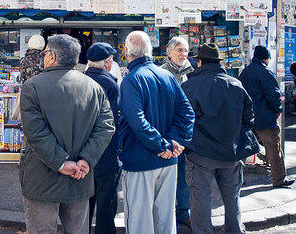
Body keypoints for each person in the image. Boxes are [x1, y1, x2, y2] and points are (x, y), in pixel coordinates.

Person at [19, 34, 115, 234]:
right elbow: (106, 127)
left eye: (45, 54)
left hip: (41, 179)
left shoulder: (33, 86)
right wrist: (86, 160)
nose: (44, 58)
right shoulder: (94, 87)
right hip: (80, 176)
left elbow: (35, 133)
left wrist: (62, 163)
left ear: (52, 56)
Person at [118, 30, 195, 234]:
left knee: (140, 222)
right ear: (150, 51)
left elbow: (138, 122)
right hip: (168, 160)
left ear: (127, 52)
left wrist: (165, 145)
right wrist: (173, 142)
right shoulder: (167, 76)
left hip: (141, 160)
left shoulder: (131, 80)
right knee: (166, 221)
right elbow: (187, 113)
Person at [181, 43, 260, 234]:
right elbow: (249, 118)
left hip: (200, 153)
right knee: (232, 197)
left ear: (199, 62)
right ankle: (235, 230)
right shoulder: (235, 84)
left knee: (200, 199)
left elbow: (183, 120)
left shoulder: (190, 86)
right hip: (231, 151)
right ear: (219, 62)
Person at [239, 45, 295, 188]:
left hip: (247, 117)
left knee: (243, 149)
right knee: (274, 149)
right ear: (266, 58)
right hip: (264, 117)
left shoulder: (245, 72)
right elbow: (274, 94)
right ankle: (279, 180)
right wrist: (278, 110)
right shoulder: (265, 72)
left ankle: (236, 179)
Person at [84, 42, 121, 234]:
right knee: (106, 204)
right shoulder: (110, 83)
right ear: (106, 62)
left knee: (84, 205)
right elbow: (113, 121)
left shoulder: (80, 80)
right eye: (112, 58)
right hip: (106, 153)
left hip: (81, 153)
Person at [161, 36, 194, 228]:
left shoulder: (192, 73)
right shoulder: (161, 73)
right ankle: (166, 212)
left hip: (186, 133)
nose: (184, 54)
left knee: (184, 175)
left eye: (186, 50)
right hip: (167, 132)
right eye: (180, 50)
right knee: (168, 175)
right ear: (169, 52)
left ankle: (183, 210)